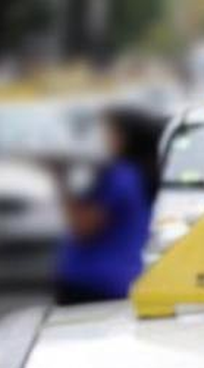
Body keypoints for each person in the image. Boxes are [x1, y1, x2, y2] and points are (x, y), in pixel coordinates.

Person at [55, 107, 161, 305]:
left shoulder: (120, 177)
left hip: (93, 281)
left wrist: (60, 182)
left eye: (110, 132)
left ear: (126, 137)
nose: (104, 139)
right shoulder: (142, 173)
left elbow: (84, 227)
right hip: (122, 276)